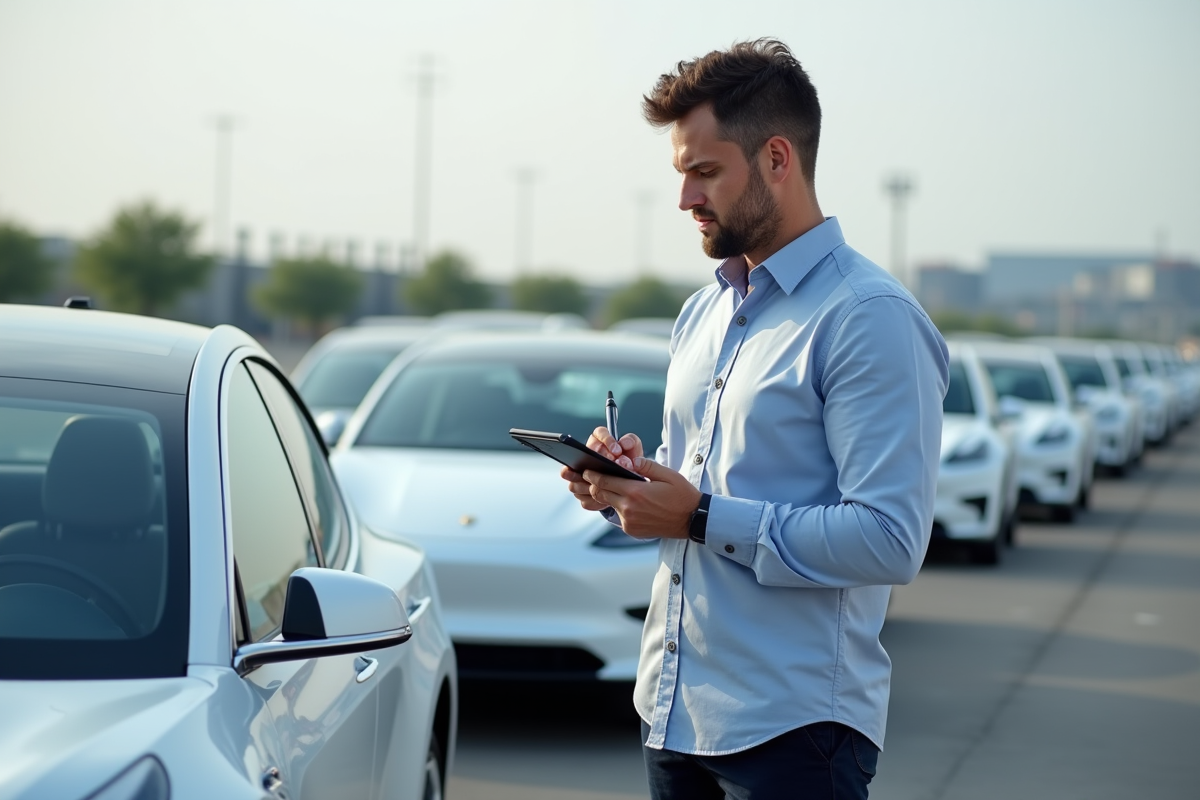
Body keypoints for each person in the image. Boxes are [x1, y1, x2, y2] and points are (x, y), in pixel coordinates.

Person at [560, 39, 948, 799]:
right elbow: (692, 486)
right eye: (681, 174)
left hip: (794, 733)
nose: (685, 200)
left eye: (705, 173)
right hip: (672, 712)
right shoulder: (701, 313)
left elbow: (891, 540)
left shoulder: (868, 318)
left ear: (777, 158)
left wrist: (701, 515)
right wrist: (628, 487)